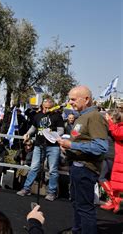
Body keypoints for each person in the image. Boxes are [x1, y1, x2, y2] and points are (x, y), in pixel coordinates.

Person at [57, 85, 108, 234]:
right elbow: (81, 140)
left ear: (86, 99)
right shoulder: (83, 116)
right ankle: (77, 230)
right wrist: (67, 146)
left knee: (85, 208)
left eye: (73, 99)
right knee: (77, 203)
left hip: (86, 169)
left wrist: (71, 144)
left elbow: (101, 147)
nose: (70, 102)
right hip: (78, 167)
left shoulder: (94, 117)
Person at [17, 97, 65, 202]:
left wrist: (52, 135)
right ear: (42, 105)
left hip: (53, 147)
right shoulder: (37, 115)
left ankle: (51, 192)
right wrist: (27, 134)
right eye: (45, 106)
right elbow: (33, 128)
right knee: (34, 167)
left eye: (49, 106)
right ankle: (26, 189)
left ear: (52, 106)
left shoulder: (57, 116)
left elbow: (61, 130)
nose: (47, 108)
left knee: (53, 170)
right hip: (39, 145)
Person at [100, 109, 122, 212]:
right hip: (110, 155)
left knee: (102, 177)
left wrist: (108, 121)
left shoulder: (115, 128)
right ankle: (113, 202)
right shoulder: (113, 127)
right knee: (109, 179)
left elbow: (115, 133)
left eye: (107, 116)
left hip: (111, 155)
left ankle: (115, 200)